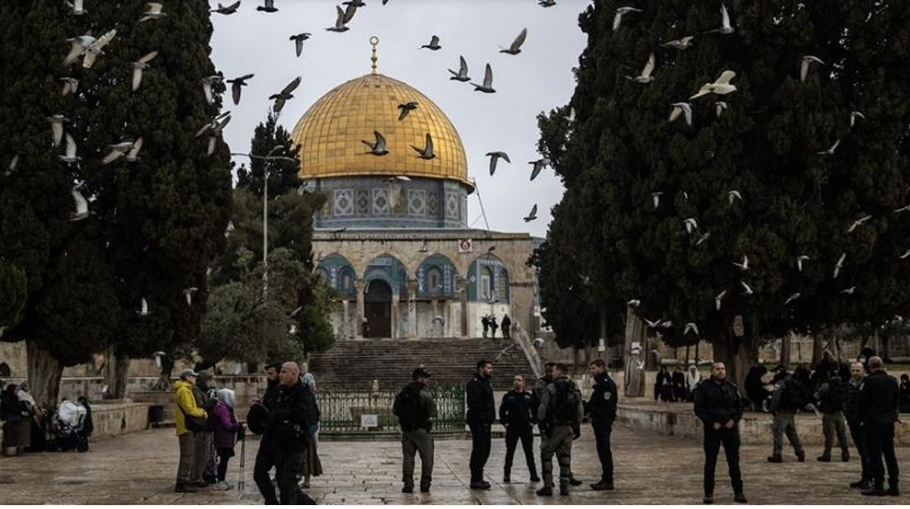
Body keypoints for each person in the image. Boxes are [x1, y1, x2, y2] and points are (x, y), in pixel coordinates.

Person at [253, 362, 318, 505]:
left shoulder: (304, 392)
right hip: (272, 441)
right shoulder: (276, 391)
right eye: (280, 371)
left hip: (294, 443)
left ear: (294, 374)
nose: (280, 375)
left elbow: (303, 414)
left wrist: (279, 415)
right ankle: (271, 502)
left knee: (287, 484)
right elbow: (267, 412)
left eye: (283, 372)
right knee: (259, 474)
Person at [694, 362, 746, 505]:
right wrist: (711, 423)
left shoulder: (732, 387)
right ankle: (708, 493)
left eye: (722, 369)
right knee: (711, 462)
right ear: (712, 371)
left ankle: (739, 492)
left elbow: (739, 407)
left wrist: (734, 420)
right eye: (717, 369)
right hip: (713, 429)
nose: (720, 371)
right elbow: (699, 408)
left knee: (734, 461)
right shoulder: (704, 388)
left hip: (730, 428)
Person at [535, 363, 583, 497]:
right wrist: (577, 426)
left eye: (554, 370)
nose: (552, 372)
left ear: (559, 371)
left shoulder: (551, 387)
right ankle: (564, 487)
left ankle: (548, 486)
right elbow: (579, 408)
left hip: (554, 426)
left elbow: (543, 408)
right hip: (568, 427)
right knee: (565, 456)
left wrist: (542, 424)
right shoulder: (573, 387)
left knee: (546, 454)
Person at [857, 356, 900, 497]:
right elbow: (896, 401)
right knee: (890, 453)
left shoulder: (869, 382)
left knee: (875, 454)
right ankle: (894, 484)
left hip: (873, 421)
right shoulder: (892, 381)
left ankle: (879, 484)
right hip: (888, 421)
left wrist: (859, 418)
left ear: (870, 366)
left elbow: (862, 402)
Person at [392, 367, 437, 494]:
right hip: (422, 430)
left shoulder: (402, 393)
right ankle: (425, 483)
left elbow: (395, 410)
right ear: (419, 378)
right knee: (427, 457)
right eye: (426, 378)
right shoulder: (425, 394)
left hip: (406, 430)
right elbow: (433, 412)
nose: (428, 380)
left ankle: (408, 483)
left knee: (408, 457)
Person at [499, 375, 539, 483]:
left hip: (526, 428)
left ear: (523, 383)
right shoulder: (508, 396)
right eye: (515, 380)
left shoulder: (528, 396)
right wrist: (505, 423)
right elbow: (502, 411)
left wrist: (532, 422)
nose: (517, 382)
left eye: (519, 380)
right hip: (512, 428)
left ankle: (533, 474)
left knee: (529, 452)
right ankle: (507, 474)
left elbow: (535, 411)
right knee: (510, 452)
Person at [173, 369, 208, 493]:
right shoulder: (184, 390)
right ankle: (181, 482)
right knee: (187, 455)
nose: (195, 379)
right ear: (187, 377)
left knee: (189, 454)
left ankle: (185, 480)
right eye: (193, 376)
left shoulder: (186, 389)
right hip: (186, 427)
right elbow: (189, 409)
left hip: (187, 427)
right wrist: (202, 412)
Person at [586, 359, 618, 491]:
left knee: (604, 451)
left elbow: (604, 406)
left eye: (593, 368)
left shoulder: (605, 384)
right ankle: (605, 478)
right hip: (600, 422)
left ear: (601, 368)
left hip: (603, 423)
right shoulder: (601, 383)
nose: (591, 371)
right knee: (602, 450)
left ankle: (608, 480)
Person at [466, 360, 495, 489]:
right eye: (488, 368)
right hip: (479, 423)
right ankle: (476, 478)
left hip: (485, 423)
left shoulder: (485, 383)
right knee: (479, 450)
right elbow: (475, 405)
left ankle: (479, 476)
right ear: (480, 369)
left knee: (485, 450)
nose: (491, 370)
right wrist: (482, 419)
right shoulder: (475, 384)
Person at [767, 368, 805, 463]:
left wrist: (771, 409)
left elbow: (776, 398)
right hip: (791, 413)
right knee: (792, 434)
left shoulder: (780, 383)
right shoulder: (793, 383)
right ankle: (800, 452)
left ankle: (777, 454)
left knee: (778, 434)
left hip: (781, 412)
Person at [843, 362, 871, 490]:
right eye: (853, 370)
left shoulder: (867, 384)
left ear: (863, 371)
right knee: (861, 451)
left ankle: (869, 478)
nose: (855, 373)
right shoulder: (849, 384)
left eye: (857, 371)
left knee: (867, 451)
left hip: (864, 423)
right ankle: (865, 476)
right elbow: (846, 401)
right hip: (853, 421)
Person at [211, 388, 243, 491]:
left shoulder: (224, 407)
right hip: (223, 438)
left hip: (225, 438)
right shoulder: (222, 408)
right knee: (223, 460)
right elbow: (227, 424)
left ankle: (222, 480)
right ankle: (220, 481)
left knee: (225, 460)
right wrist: (238, 426)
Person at [815, 371, 849, 462]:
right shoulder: (842, 386)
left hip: (829, 414)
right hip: (839, 413)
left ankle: (827, 454)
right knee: (842, 434)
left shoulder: (826, 385)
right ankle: (845, 452)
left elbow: (817, 395)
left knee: (829, 435)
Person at [193, 370, 218, 486]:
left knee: (206, 454)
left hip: (206, 426)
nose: (210, 382)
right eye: (208, 380)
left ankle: (201, 476)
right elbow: (200, 407)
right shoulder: (196, 391)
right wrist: (212, 402)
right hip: (200, 426)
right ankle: (196, 478)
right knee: (200, 454)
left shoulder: (204, 391)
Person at [300, 368, 322, 489]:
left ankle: (306, 479)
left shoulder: (305, 385)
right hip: (308, 427)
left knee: (307, 453)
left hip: (307, 427)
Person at [1, 383, 30, 456]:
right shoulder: (6, 398)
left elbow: (18, 407)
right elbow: (10, 408)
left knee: (25, 422)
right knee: (14, 422)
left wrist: (24, 411)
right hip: (8, 415)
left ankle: (21, 444)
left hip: (15, 415)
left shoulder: (15, 398)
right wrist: (21, 412)